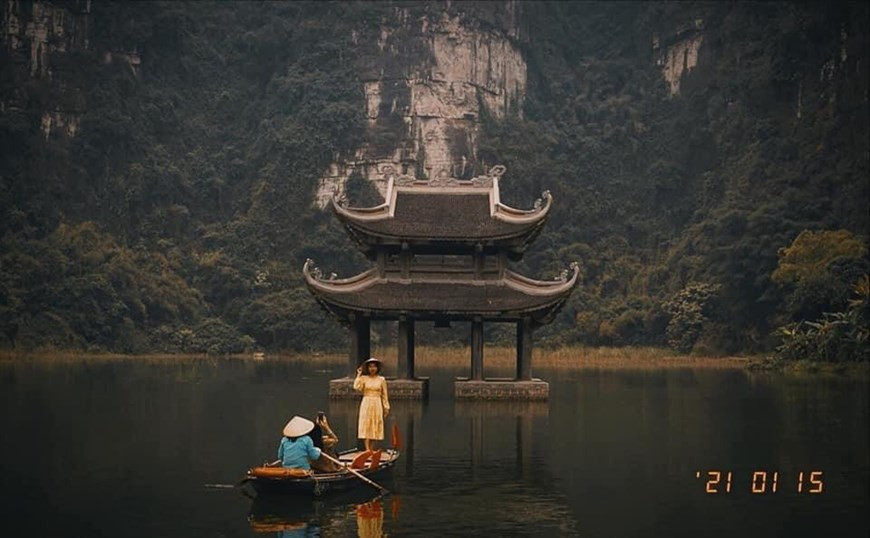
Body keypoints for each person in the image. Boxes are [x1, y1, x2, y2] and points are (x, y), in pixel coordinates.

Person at [353, 357, 390, 452]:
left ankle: (372, 448)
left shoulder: (381, 379)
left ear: (377, 368)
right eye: (370, 367)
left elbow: (384, 394)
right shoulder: (364, 379)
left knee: (376, 424)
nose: (372, 369)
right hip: (366, 402)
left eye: (374, 367)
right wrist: (358, 375)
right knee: (366, 424)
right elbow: (356, 387)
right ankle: (367, 449)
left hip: (377, 402)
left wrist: (386, 407)